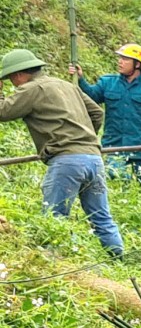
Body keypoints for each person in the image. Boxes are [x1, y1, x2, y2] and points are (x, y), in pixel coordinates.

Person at [0, 48, 124, 256]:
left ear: (19, 74)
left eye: (10, 79)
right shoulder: (67, 86)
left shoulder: (31, 89)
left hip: (67, 162)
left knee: (54, 217)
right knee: (101, 217)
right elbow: (96, 113)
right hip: (94, 159)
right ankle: (120, 260)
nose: (13, 84)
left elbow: (3, 112)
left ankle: (52, 265)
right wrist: (84, 139)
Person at [72, 43, 141, 188]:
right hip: (114, 146)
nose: (120, 62)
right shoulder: (108, 83)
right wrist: (80, 79)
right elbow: (92, 96)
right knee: (116, 178)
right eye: (120, 58)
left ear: (138, 65)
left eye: (125, 59)